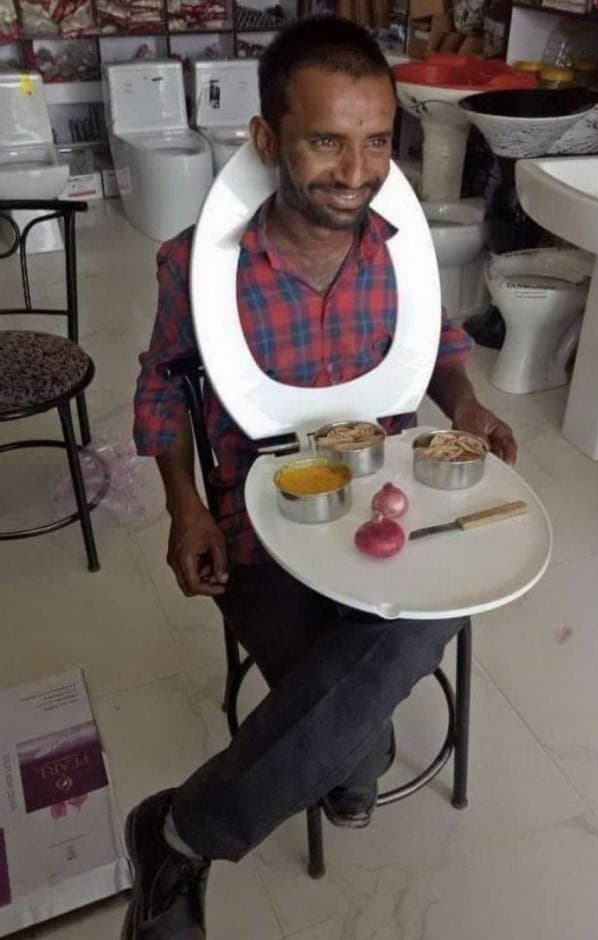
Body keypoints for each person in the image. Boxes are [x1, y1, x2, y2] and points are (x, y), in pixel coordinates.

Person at [127, 16, 516, 939]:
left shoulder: (402, 250)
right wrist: (185, 507)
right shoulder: (197, 265)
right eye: (327, 141)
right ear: (267, 140)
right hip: (265, 521)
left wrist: (465, 404)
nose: (357, 171)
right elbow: (161, 385)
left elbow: (437, 345)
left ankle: (179, 834)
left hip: (393, 498)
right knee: (351, 698)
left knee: (417, 622)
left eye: (378, 141)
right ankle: (349, 751)